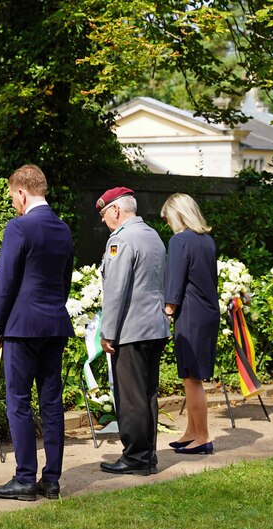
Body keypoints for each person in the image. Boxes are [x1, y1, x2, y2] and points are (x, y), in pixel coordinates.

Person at [0, 164, 75, 501]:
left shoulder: (19, 227)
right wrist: (53, 308)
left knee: (19, 401)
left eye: (13, 197)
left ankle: (25, 478)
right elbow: (65, 280)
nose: (14, 203)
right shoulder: (63, 229)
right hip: (55, 323)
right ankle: (51, 480)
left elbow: (5, 282)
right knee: (51, 402)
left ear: (22, 192)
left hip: (22, 327)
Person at [97, 187, 170, 475]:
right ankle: (147, 455)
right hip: (154, 326)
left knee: (130, 396)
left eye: (104, 214)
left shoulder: (122, 240)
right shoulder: (152, 234)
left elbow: (116, 291)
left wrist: (108, 332)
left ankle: (136, 457)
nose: (103, 220)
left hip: (131, 328)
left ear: (116, 210)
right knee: (148, 393)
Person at [161, 193, 220, 455]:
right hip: (208, 310)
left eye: (167, 219)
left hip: (190, 313)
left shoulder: (179, 241)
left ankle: (203, 437)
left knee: (191, 377)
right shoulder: (207, 240)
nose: (167, 225)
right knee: (192, 375)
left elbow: (175, 279)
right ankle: (191, 432)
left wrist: (168, 307)